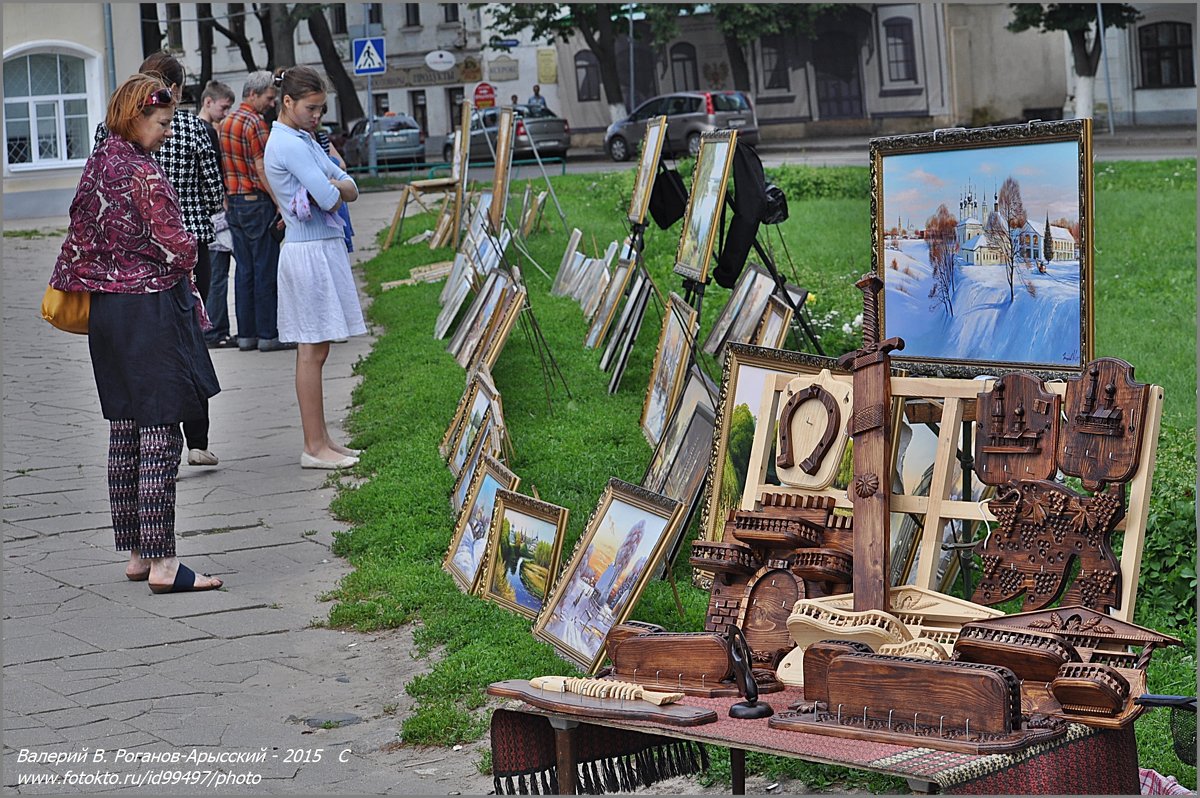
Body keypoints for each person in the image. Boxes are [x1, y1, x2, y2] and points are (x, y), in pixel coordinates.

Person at [50, 73, 223, 593]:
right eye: (163, 123)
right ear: (136, 118)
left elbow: (78, 231)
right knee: (160, 433)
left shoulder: (98, 163)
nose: (168, 132)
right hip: (150, 311)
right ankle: (166, 564)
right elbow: (179, 247)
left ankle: (136, 553)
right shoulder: (143, 173)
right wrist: (187, 246)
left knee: (123, 431)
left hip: (108, 316)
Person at [94, 52, 224, 468]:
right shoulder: (190, 130)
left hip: (116, 274)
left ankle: (143, 432)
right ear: (177, 89)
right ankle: (196, 440)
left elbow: (91, 208)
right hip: (175, 263)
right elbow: (211, 188)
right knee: (186, 347)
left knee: (134, 371)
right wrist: (196, 230)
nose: (165, 131)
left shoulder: (106, 139)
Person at [263, 66, 366, 469]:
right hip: (306, 252)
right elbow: (330, 197)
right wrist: (336, 186)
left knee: (318, 350)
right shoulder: (286, 144)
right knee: (311, 350)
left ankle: (322, 438)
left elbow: (349, 186)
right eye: (312, 107)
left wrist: (336, 186)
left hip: (320, 247)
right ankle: (312, 445)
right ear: (287, 102)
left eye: (322, 109)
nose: (318, 116)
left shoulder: (302, 138)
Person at [219, 70, 294, 353]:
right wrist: (279, 201)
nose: (271, 103)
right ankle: (268, 335)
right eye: (268, 97)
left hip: (235, 204)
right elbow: (263, 167)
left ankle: (246, 335)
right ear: (252, 94)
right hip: (257, 203)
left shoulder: (225, 123)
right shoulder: (256, 124)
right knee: (265, 269)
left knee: (244, 271)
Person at [197, 80, 237, 350]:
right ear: (208, 102)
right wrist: (223, 202)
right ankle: (216, 330)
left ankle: (212, 328)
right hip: (214, 214)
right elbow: (214, 174)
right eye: (223, 107)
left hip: (202, 214)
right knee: (218, 272)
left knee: (214, 272)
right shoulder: (207, 132)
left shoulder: (190, 129)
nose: (225, 113)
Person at [307, 103, 355, 253]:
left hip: (333, 190)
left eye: (320, 116)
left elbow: (341, 165)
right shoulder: (299, 140)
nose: (316, 119)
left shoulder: (321, 138)